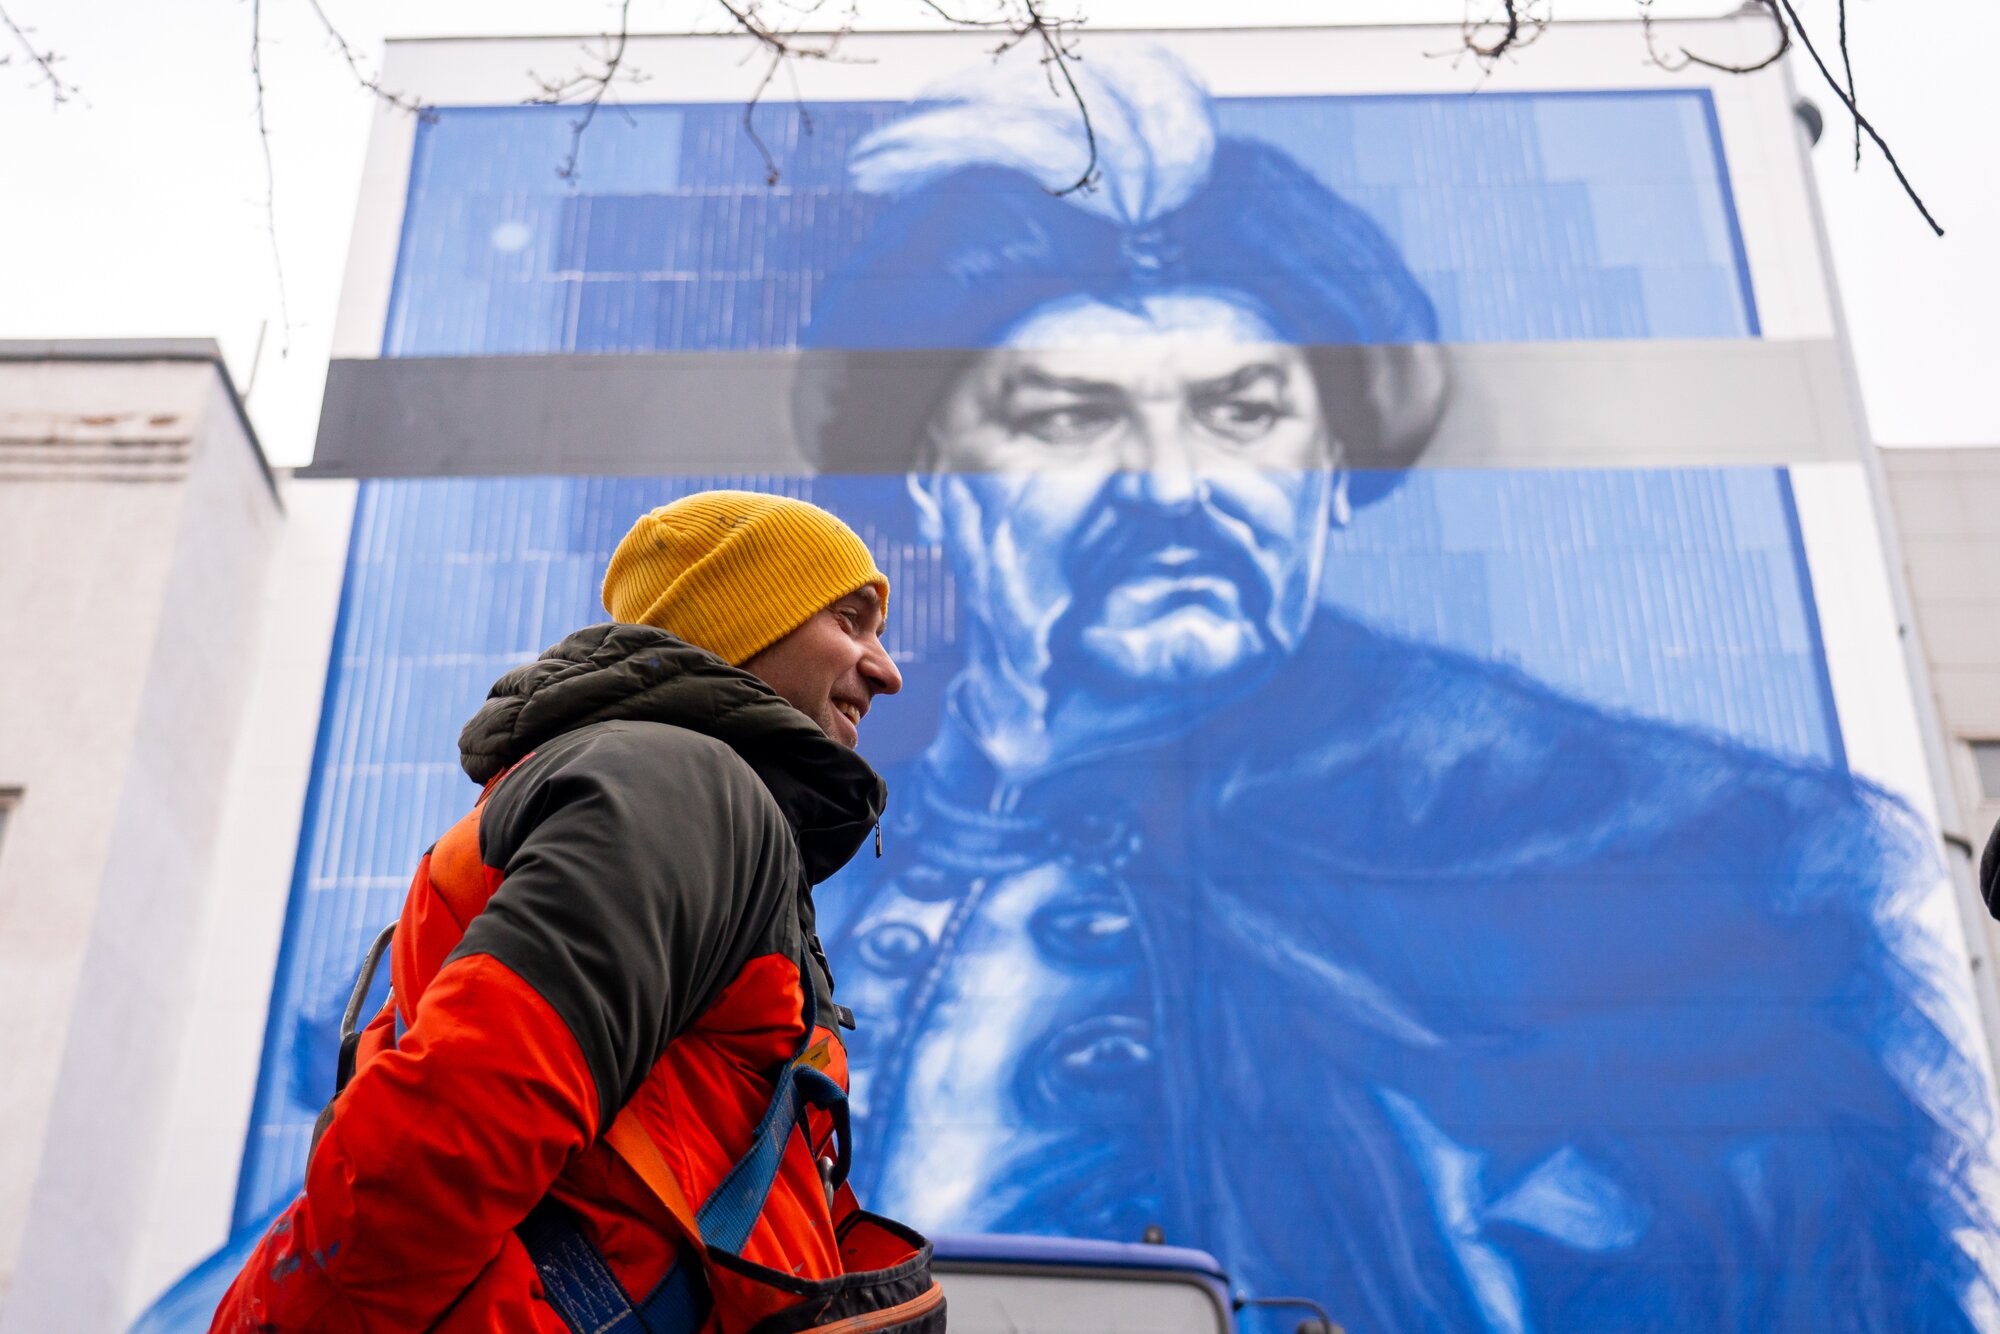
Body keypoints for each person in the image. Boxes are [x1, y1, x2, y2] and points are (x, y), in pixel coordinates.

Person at [792, 47, 1994, 1332]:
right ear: (935, 480)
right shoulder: (787, 843)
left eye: (1241, 411)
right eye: (1070, 419)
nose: (1172, 486)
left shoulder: (1716, 862)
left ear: (1330, 469)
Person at [213, 491, 925, 1332]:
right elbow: (454, 1125)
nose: (886, 670)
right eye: (850, 621)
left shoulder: (678, 797)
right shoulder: (679, 789)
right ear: (743, 621)